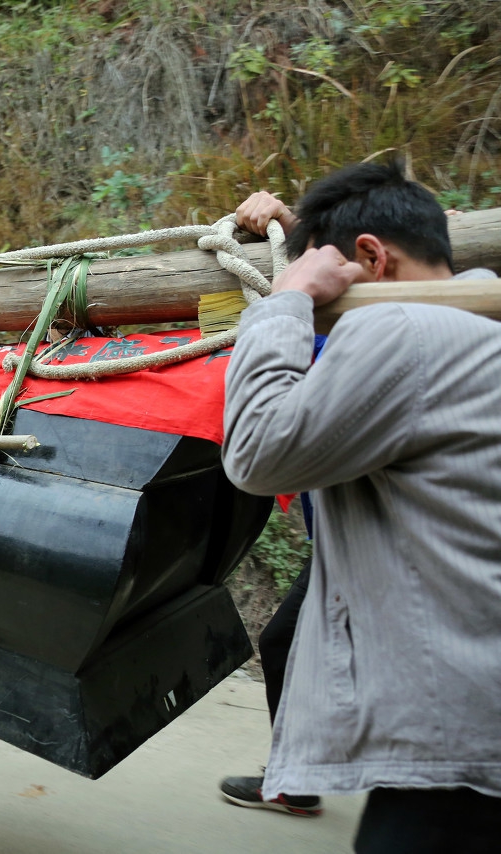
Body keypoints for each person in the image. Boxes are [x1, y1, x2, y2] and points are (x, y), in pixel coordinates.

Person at [220, 159, 501, 851]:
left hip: (456, 732)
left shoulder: (404, 330)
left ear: (372, 256)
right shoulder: (482, 320)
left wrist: (285, 301)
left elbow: (255, 454)